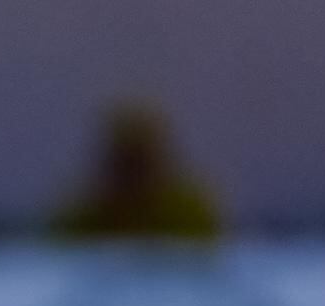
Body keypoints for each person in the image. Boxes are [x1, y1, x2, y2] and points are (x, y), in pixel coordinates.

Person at [51, 97, 224, 240]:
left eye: (140, 164)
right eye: (125, 165)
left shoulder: (189, 219)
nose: (132, 177)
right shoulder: (78, 222)